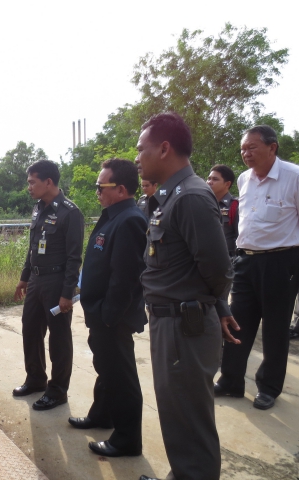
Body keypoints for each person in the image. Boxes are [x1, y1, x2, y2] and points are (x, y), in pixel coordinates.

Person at [135, 112, 236, 480]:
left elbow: (219, 269)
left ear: (164, 149)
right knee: (176, 412)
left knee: (190, 419)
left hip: (185, 325)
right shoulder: (170, 196)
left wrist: (212, 304)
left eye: (141, 149)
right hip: (173, 321)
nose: (137, 158)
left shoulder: (191, 196)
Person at [216, 125, 299, 410]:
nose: (246, 153)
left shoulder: (297, 178)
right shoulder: (245, 179)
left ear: (272, 147)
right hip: (245, 260)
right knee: (237, 322)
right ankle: (230, 380)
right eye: (243, 149)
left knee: (275, 328)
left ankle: (269, 387)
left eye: (252, 147)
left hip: (281, 261)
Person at [68, 158, 147, 458]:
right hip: (102, 313)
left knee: (121, 377)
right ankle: (102, 415)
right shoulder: (114, 216)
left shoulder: (129, 220)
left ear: (121, 189)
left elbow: (125, 278)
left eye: (102, 186)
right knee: (107, 369)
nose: (97, 191)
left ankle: (127, 440)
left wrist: (108, 316)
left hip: (113, 316)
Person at [13, 160, 84, 410]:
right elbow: (32, 247)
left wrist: (67, 293)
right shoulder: (38, 208)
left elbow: (74, 258)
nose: (29, 187)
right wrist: (24, 277)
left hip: (56, 282)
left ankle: (57, 391)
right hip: (36, 280)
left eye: (32, 182)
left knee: (59, 338)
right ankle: (35, 379)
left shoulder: (70, 213)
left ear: (48, 182)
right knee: (30, 330)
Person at [207, 164, 239, 256]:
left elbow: (240, 237)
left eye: (215, 179)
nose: (209, 182)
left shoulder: (235, 206)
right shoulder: (204, 204)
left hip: (228, 258)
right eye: (209, 178)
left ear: (227, 184)